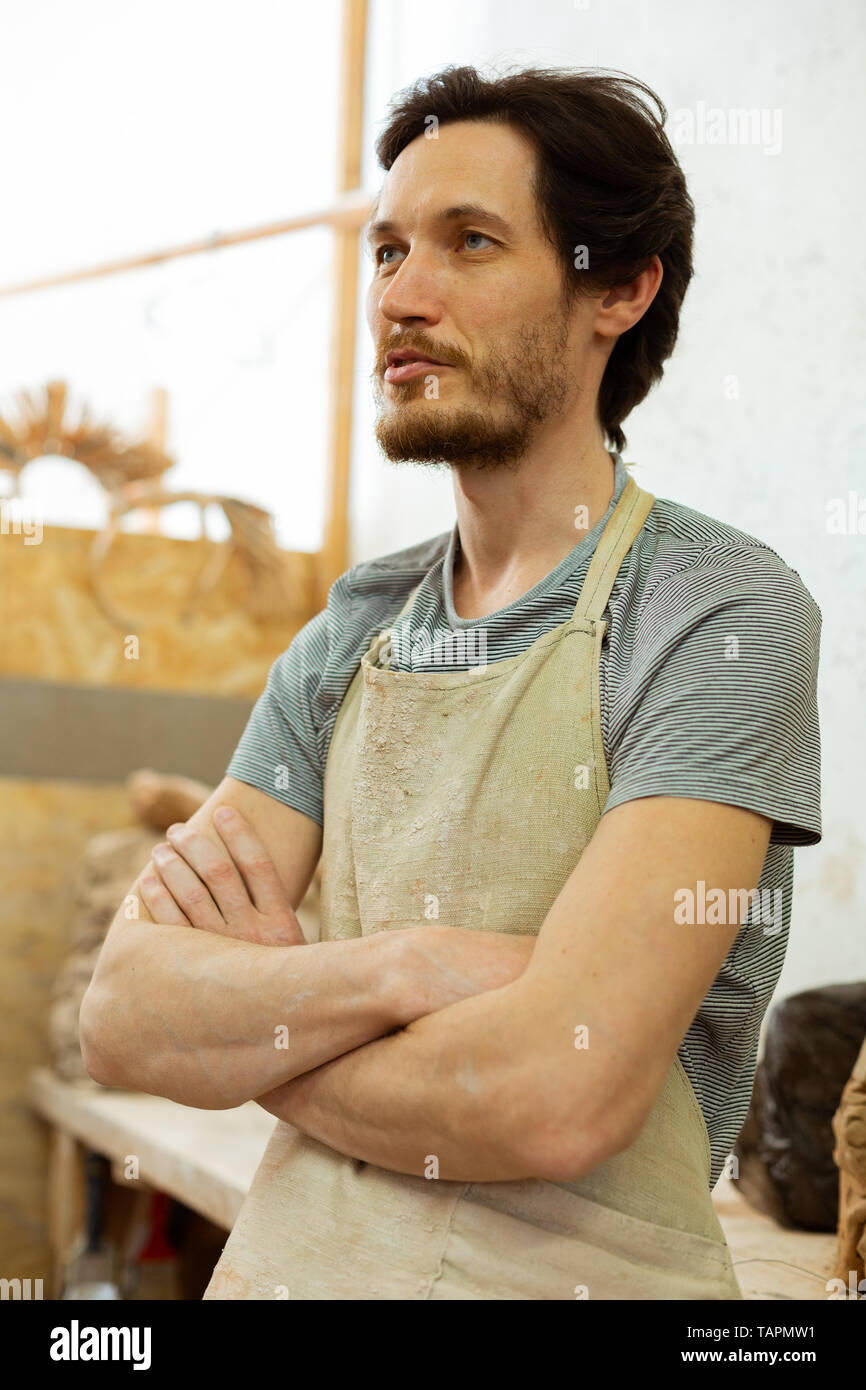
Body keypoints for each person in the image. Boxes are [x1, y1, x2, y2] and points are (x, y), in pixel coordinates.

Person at [81, 65, 822, 1300]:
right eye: (384, 252)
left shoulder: (715, 610)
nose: (401, 298)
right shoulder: (352, 628)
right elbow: (124, 1013)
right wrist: (405, 969)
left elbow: (555, 1093)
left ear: (619, 288)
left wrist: (256, 1021)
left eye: (468, 244)